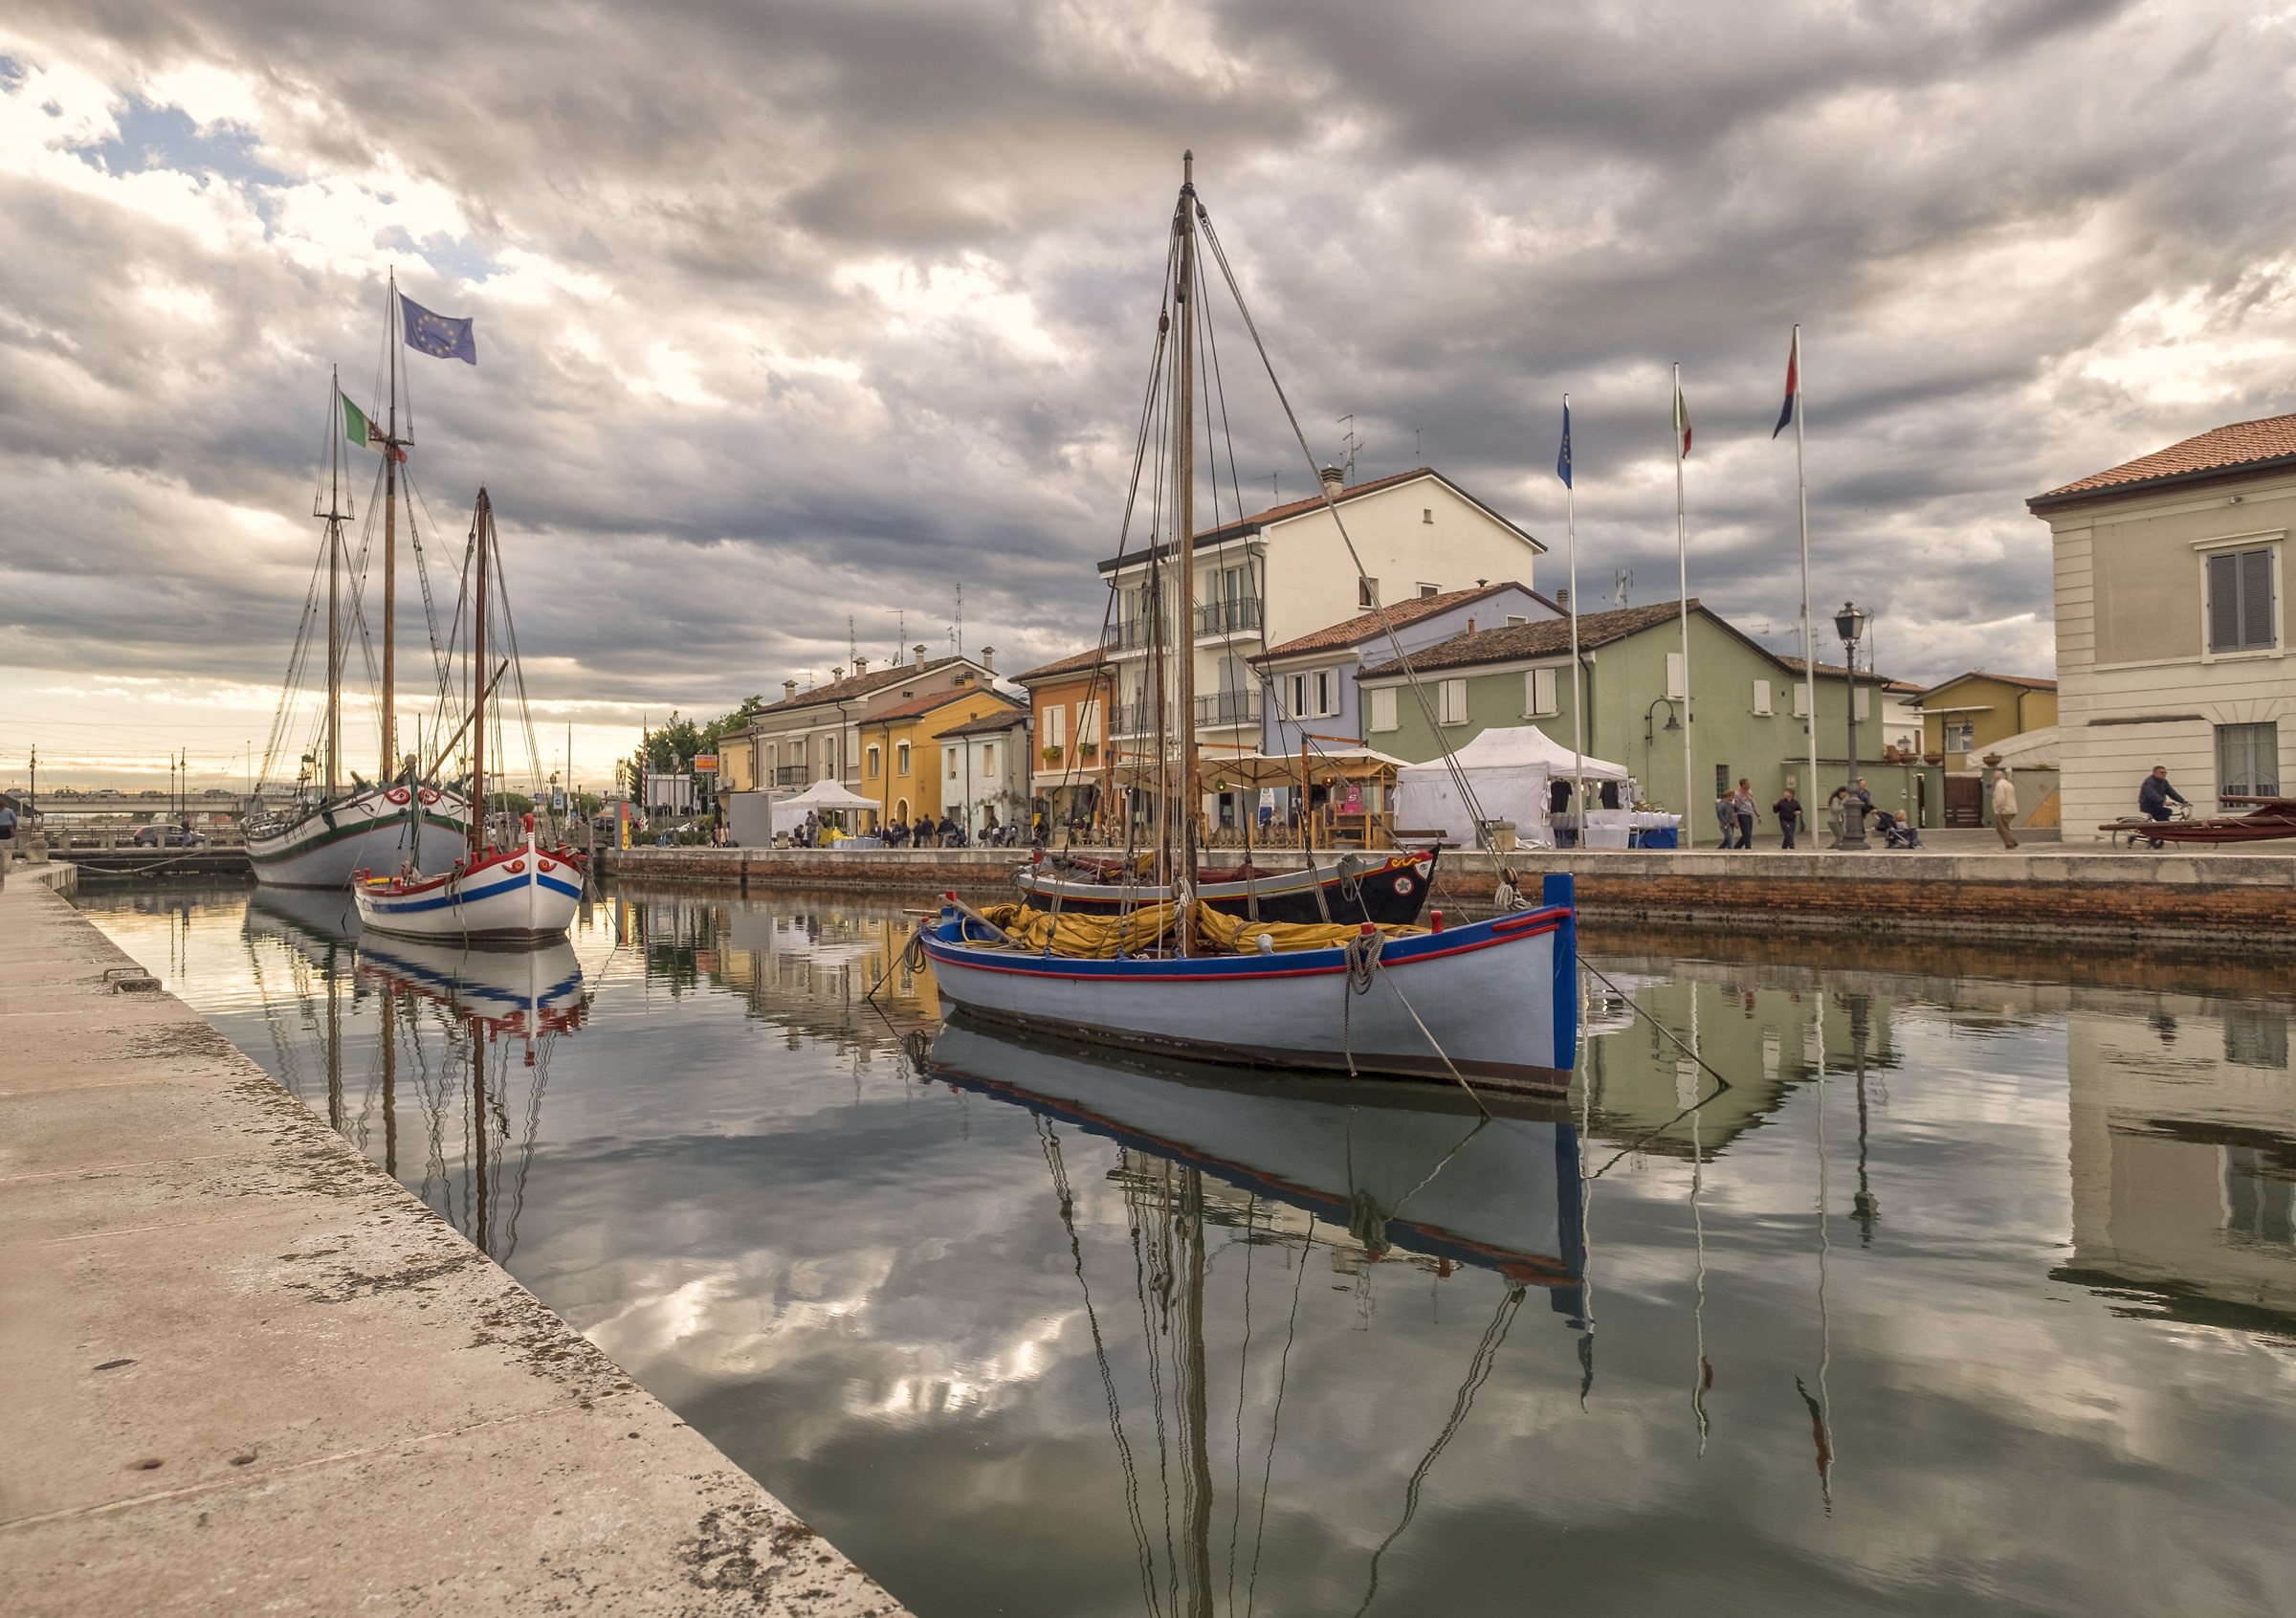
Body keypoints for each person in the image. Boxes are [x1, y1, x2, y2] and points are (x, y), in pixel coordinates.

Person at [2137, 765, 2187, 849]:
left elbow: (2171, 792)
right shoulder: (2149, 782)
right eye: (2161, 773)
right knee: (2167, 812)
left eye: (2165, 772)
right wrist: (2163, 802)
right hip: (2148, 805)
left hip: (2157, 805)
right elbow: (2152, 794)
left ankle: (2158, 835)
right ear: (2155, 773)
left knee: (2163, 815)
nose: (2164, 774)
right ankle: (2157, 835)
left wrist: (2183, 801)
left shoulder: (2164, 782)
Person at [1991, 769, 2019, 850]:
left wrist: (1998, 810)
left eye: (1994, 775)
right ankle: (2012, 841)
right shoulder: (2008, 784)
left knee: (2001, 828)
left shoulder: (2000, 785)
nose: (1992, 777)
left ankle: (2010, 844)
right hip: (2012, 809)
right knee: (2004, 827)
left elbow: (2000, 799)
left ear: (1998, 776)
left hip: (2004, 810)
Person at [1772, 786, 1804, 850]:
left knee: (1789, 834)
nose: (1784, 794)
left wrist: (1798, 812)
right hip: (1784, 821)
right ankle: (1792, 848)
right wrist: (1774, 806)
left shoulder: (1795, 803)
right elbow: (1775, 811)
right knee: (1789, 834)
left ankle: (1784, 848)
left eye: (1786, 792)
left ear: (1791, 794)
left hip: (1792, 821)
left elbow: (1800, 810)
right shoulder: (1781, 802)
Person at [1729, 779, 1757, 850]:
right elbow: (1733, 806)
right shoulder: (1737, 794)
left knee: (1748, 834)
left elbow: (1752, 803)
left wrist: (1757, 814)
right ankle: (1748, 848)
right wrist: (1736, 820)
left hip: (1749, 814)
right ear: (1743, 785)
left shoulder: (1749, 792)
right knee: (1746, 833)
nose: (1749, 785)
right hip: (1742, 814)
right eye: (1747, 784)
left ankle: (1737, 846)